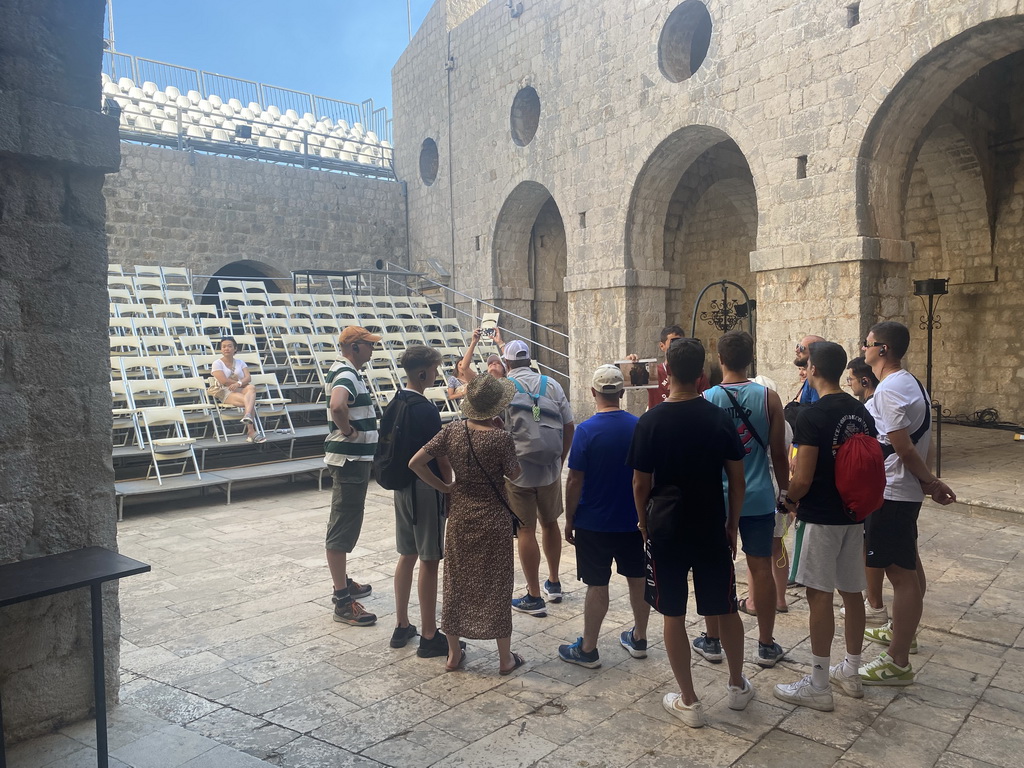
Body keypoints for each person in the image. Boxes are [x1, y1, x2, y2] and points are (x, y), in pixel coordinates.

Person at [629, 337, 753, 728]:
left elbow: (639, 483)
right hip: (710, 524)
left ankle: (689, 699)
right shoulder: (719, 419)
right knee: (725, 605)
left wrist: (643, 523)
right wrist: (732, 524)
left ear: (666, 370)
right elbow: (737, 479)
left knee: (672, 611)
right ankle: (736, 685)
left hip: (665, 527)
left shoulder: (649, 421)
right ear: (702, 374)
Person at [773, 341, 876, 711]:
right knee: (852, 592)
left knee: (819, 595)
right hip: (854, 514)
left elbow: (802, 477)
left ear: (813, 369)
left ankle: (818, 682)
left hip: (820, 517)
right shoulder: (860, 412)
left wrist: (787, 500)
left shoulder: (811, 418)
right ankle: (851, 670)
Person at [859, 321, 956, 685]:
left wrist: (930, 483)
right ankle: (904, 632)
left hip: (894, 490)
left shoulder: (888, 390)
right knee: (909, 565)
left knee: (900, 575)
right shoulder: (911, 382)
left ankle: (897, 660)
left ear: (883, 349)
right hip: (902, 491)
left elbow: (902, 446)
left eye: (867, 343)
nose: (864, 349)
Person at [409, 375, 526, 674]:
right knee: (497, 584)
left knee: (456, 582)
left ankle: (452, 655)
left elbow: (416, 462)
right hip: (493, 519)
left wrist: (445, 486)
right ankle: (504, 659)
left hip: (460, 516)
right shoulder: (499, 438)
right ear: (495, 407)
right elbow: (516, 475)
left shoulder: (452, 431)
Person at [699, 332, 789, 668]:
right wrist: (786, 491)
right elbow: (779, 453)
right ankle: (765, 643)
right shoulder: (769, 399)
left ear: (720, 359)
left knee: (713, 567)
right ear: (750, 358)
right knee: (761, 568)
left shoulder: (706, 399)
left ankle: (711, 638)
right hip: (758, 496)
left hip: (717, 499)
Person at [557, 365, 650, 668]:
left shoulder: (585, 431)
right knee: (637, 579)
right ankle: (639, 637)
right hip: (633, 520)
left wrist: (569, 518)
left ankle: (589, 648)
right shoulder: (639, 426)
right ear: (622, 392)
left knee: (598, 584)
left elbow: (574, 480)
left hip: (594, 521)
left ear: (593, 392)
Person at [389, 345, 454, 657]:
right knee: (429, 559)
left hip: (401, 489)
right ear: (423, 373)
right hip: (424, 489)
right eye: (435, 369)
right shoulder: (425, 410)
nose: (437, 374)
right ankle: (430, 634)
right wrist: (448, 487)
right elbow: (439, 455)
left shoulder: (395, 401)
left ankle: (402, 624)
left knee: (407, 554)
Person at [503, 340, 575, 617]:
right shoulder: (552, 384)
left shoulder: (504, 388)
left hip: (518, 470)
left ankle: (533, 594)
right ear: (529, 359)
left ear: (508, 363)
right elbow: (569, 425)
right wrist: (560, 459)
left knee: (525, 530)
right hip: (549, 468)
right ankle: (554, 583)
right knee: (550, 524)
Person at [324, 326, 381, 627]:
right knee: (343, 526)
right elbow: (337, 405)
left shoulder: (347, 371)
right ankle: (342, 601)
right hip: (350, 459)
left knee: (347, 520)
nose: (373, 350)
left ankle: (343, 580)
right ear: (355, 347)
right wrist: (348, 432)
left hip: (353, 459)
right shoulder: (346, 373)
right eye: (369, 345)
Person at [840, 356, 887, 627]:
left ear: (865, 381)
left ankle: (874, 604)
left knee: (871, 547)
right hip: (881, 485)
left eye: (852, 380)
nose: (850, 385)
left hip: (873, 486)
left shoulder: (869, 409)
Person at [629, 325, 709, 411]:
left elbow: (706, 400)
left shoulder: (694, 372)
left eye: (680, 342)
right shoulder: (653, 372)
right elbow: (626, 382)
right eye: (673, 342)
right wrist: (629, 365)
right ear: (662, 346)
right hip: (659, 419)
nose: (677, 346)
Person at [211, 337, 263, 443]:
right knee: (249, 401)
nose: (226, 349)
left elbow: (248, 378)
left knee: (251, 387)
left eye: (230, 346)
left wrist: (238, 383)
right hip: (225, 391)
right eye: (224, 346)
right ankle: (251, 431)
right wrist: (238, 383)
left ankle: (247, 415)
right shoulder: (217, 363)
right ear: (221, 349)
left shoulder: (240, 362)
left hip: (240, 387)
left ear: (235, 349)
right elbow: (224, 381)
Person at [794, 335, 826, 404]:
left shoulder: (817, 379)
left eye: (802, 348)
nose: (796, 350)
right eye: (797, 346)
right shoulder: (810, 379)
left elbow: (816, 410)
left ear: (815, 353)